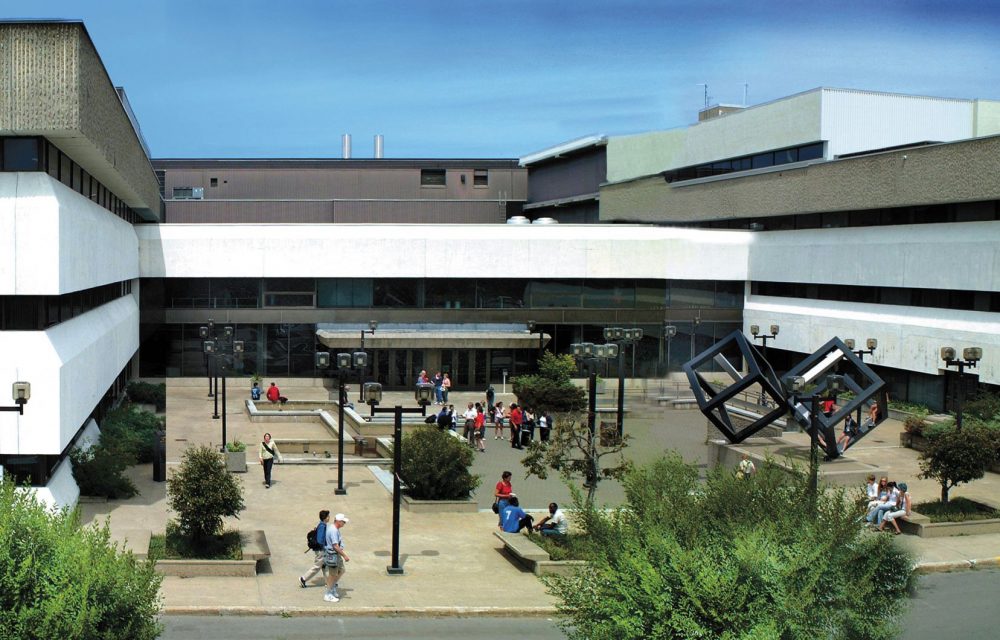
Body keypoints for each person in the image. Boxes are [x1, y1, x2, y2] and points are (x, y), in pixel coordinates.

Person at [323, 513, 350, 602]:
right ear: (338, 521)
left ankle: (332, 587)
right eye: (343, 522)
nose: (344, 523)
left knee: (341, 570)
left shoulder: (334, 528)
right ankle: (328, 594)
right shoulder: (334, 531)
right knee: (332, 575)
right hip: (333, 555)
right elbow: (335, 546)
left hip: (336, 555)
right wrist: (344, 555)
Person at [300, 510, 330, 588]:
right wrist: (325, 547)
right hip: (321, 550)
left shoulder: (321, 524)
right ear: (325, 518)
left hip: (321, 550)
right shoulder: (322, 526)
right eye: (328, 516)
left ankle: (329, 582)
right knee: (317, 567)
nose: (329, 518)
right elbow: (320, 540)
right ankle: (303, 578)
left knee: (325, 566)